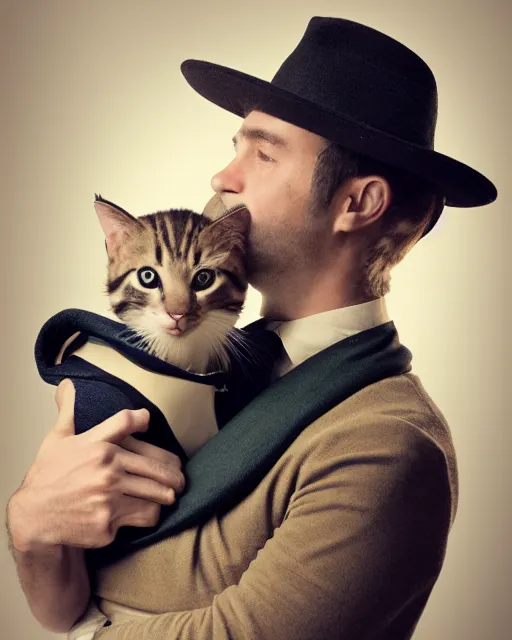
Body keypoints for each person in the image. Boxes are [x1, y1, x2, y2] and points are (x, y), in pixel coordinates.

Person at [6, 16, 497, 640]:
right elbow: (57, 607)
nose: (222, 178)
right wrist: (32, 527)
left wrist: (93, 624)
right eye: (235, 146)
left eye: (262, 154)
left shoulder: (388, 445)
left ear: (357, 203)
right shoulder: (199, 359)